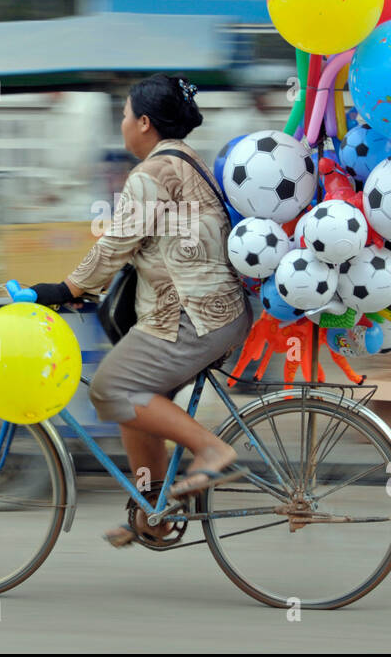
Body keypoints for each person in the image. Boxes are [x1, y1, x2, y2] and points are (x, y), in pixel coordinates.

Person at [29, 74, 252, 548]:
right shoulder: (185, 160)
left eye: (126, 116)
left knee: (111, 389)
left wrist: (63, 287)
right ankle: (152, 508)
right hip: (210, 313)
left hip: (194, 318)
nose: (124, 125)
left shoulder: (151, 174)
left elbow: (115, 244)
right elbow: (148, 244)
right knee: (136, 402)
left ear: (145, 122)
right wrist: (83, 288)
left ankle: (213, 449)